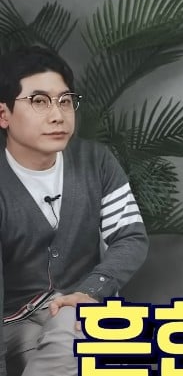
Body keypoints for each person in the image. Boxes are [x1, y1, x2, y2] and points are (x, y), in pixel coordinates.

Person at [0, 46, 149, 376]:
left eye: (65, 101)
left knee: (72, 324)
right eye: (39, 102)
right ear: (4, 115)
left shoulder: (95, 161)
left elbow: (130, 237)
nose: (57, 115)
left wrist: (90, 291)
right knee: (51, 348)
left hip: (75, 308)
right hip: (9, 324)